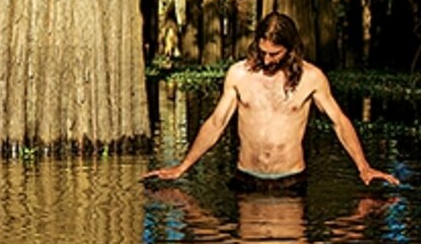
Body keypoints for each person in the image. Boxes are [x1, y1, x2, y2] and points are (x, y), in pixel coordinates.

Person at [142, 12, 399, 190]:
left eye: (274, 54)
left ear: (290, 48)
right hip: (246, 179)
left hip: (290, 181)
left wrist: (363, 167)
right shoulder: (239, 74)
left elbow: (339, 123)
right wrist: (182, 167)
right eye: (262, 52)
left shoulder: (311, 78)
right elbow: (216, 123)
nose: (266, 60)